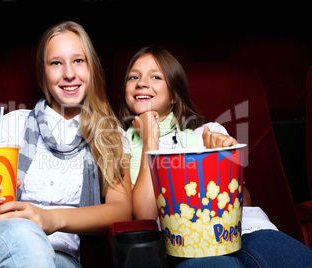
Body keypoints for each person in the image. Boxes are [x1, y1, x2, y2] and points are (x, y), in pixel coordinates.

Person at [0, 21, 132, 268]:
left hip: (61, 260)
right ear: (43, 73)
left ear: (92, 69)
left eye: (78, 60)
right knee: (24, 234)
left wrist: (49, 219)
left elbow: (121, 211)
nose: (69, 73)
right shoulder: (10, 125)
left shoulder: (110, 134)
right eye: (56, 63)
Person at [119, 46, 312, 267]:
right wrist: (149, 140)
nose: (142, 82)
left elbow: (244, 201)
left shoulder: (208, 132)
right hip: (185, 243)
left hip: (247, 231)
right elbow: (144, 215)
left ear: (173, 95)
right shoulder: (119, 141)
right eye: (133, 77)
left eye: (155, 76)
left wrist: (222, 166)